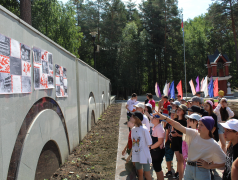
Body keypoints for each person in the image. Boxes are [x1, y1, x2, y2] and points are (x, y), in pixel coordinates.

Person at [155, 113, 226, 180]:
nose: (198, 126)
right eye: (199, 124)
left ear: (208, 128)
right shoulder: (194, 133)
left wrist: (209, 166)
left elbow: (224, 162)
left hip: (202, 172)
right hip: (188, 168)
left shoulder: (213, 144)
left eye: (202, 125)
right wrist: (165, 118)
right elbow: (179, 126)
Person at [130, 111, 152, 180]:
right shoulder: (133, 129)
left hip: (144, 155)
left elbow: (149, 142)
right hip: (137, 155)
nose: (130, 117)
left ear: (136, 119)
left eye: (132, 116)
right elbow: (134, 143)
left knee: (147, 174)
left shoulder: (144, 129)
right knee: (139, 173)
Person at [170, 104, 188, 180]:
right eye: (177, 109)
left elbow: (186, 134)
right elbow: (172, 130)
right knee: (179, 159)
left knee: (182, 160)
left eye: (180, 110)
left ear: (183, 112)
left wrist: (178, 135)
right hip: (175, 141)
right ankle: (180, 176)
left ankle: (182, 175)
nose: (177, 111)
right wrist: (172, 134)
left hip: (182, 142)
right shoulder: (175, 120)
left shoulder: (186, 122)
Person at [149, 115, 165, 180]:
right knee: (156, 168)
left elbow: (160, 142)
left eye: (154, 118)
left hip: (158, 151)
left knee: (158, 168)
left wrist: (150, 147)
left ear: (158, 120)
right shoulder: (156, 127)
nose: (152, 119)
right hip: (155, 151)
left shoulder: (159, 128)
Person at [164, 110, 176, 177]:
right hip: (169, 142)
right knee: (168, 156)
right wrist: (166, 142)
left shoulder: (178, 123)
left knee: (178, 158)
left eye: (173, 115)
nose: (172, 116)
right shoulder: (169, 123)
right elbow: (167, 132)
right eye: (171, 115)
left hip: (177, 143)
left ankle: (178, 172)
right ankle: (169, 171)